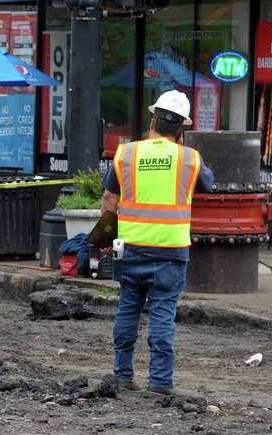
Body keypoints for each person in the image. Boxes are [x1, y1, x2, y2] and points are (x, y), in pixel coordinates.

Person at [102, 89, 214, 395]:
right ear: (181, 129)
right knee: (163, 315)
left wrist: (104, 237)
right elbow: (207, 184)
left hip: (131, 248)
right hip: (170, 252)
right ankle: (160, 383)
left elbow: (110, 197)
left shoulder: (127, 153)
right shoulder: (189, 158)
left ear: (153, 120)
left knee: (127, 310)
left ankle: (123, 376)